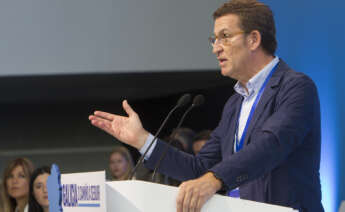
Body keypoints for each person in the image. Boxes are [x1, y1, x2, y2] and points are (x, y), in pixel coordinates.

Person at [89, 0, 324, 211]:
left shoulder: (296, 87)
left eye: (225, 36)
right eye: (214, 39)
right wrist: (142, 140)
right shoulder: (235, 103)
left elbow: (271, 146)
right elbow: (199, 167)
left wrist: (214, 179)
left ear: (253, 39)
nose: (216, 47)